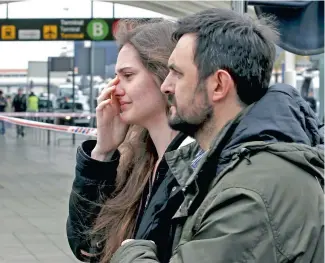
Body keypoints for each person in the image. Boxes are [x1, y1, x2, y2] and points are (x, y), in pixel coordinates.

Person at [109, 8, 324, 263]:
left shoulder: (250, 192)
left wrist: (130, 251)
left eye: (178, 73)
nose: (166, 85)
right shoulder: (220, 162)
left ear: (219, 85)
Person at [66, 19, 196, 263]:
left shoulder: (194, 167)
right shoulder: (138, 159)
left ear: (165, 77)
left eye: (127, 75)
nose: (114, 89)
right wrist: (102, 154)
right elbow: (87, 246)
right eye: (115, 77)